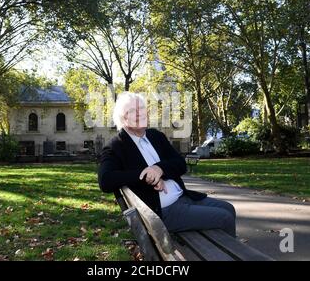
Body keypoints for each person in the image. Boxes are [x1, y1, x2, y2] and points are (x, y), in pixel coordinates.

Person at [98, 92, 236, 237]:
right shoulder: (116, 146)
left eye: (142, 108)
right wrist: (146, 174)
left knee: (228, 208)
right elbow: (105, 180)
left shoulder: (155, 136)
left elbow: (180, 164)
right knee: (224, 217)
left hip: (184, 197)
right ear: (123, 118)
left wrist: (159, 169)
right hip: (164, 212)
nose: (140, 113)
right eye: (133, 111)